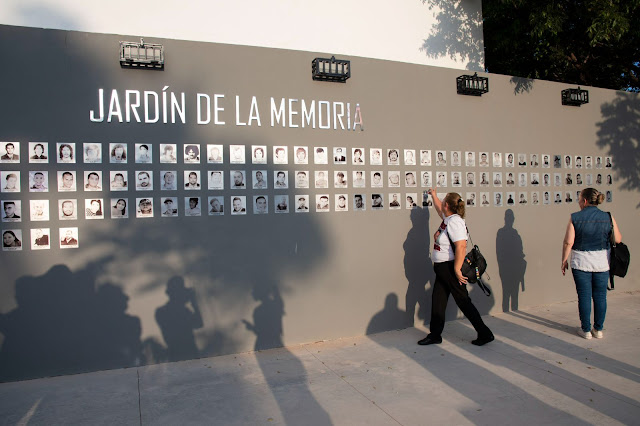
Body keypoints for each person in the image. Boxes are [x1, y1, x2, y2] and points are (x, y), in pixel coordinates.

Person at [417, 190, 494, 346]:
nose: (442, 205)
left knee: (463, 301)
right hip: (442, 269)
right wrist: (433, 196)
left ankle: (485, 334)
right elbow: (440, 210)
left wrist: (457, 270)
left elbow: (461, 246)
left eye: (443, 201)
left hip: (450, 268)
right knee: (438, 300)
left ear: (448, 205)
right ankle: (435, 335)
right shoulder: (449, 218)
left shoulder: (455, 222)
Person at [562, 188, 621, 339]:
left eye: (580, 199)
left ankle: (586, 330)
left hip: (581, 262)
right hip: (602, 262)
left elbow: (568, 242)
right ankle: (598, 329)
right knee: (601, 296)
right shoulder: (608, 216)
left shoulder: (575, 217)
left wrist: (564, 260)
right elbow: (618, 239)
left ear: (585, 201)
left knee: (584, 296)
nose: (579, 202)